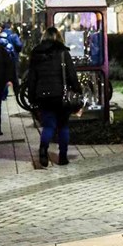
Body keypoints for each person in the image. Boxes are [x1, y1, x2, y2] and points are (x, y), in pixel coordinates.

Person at [27, 27, 82, 167]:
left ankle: (43, 151)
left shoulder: (36, 54)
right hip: (61, 96)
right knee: (63, 126)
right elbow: (72, 75)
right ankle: (62, 156)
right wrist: (78, 91)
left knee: (48, 125)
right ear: (58, 37)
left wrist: (32, 97)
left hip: (43, 96)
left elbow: (32, 78)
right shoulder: (63, 53)